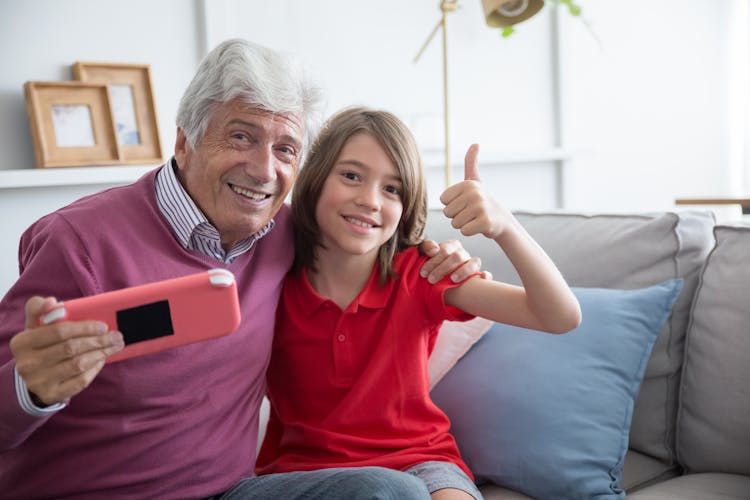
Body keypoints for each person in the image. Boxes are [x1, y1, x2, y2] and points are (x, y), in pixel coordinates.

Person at [0, 40, 481, 499]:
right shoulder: (78, 240)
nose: (263, 170)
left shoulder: (288, 235)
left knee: (391, 491)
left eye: (286, 149)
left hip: (230, 492)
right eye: (241, 137)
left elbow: (372, 240)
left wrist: (440, 254)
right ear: (185, 142)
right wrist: (30, 389)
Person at [254, 107, 583, 499]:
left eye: (392, 189)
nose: (370, 200)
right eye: (351, 176)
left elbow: (560, 316)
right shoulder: (269, 277)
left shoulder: (422, 273)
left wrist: (505, 227)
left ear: (407, 205)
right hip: (307, 475)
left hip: (421, 463)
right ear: (316, 179)